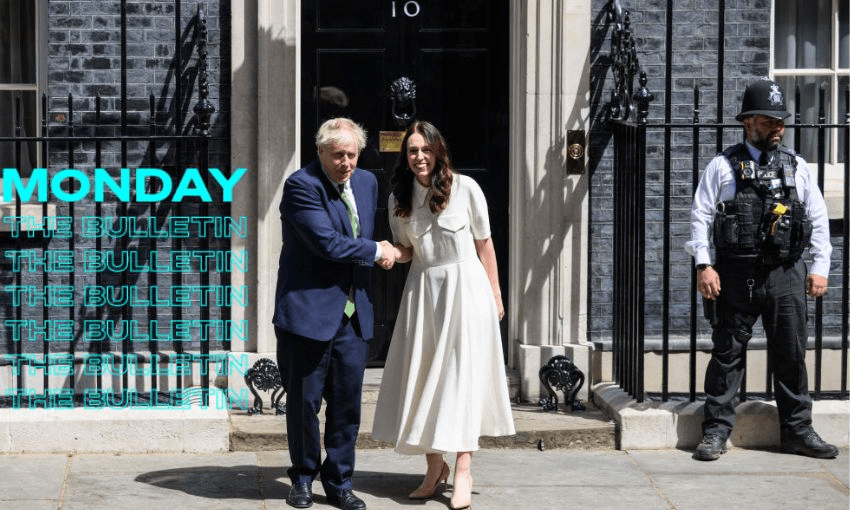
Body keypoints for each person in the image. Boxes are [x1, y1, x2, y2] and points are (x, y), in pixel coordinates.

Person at [686, 78, 838, 461]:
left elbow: (818, 220)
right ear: (749, 122)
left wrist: (820, 268)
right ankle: (716, 433)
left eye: (780, 121)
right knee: (727, 355)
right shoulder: (722, 167)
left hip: (786, 274)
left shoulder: (797, 167)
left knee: (790, 354)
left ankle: (798, 431)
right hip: (736, 275)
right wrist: (704, 265)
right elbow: (700, 217)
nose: (778, 127)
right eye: (770, 120)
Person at [371, 121, 516, 509]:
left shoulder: (466, 188)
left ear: (437, 152)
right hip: (422, 294)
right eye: (412, 150)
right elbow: (408, 251)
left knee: (460, 381)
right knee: (421, 379)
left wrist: (496, 295)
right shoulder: (398, 198)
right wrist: (388, 252)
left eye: (425, 149)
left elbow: (485, 247)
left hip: (466, 292)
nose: (419, 157)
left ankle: (464, 469)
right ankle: (435, 469)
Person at [273, 117, 398, 510]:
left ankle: (340, 481)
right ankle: (303, 477)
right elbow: (328, 243)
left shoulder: (366, 182)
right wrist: (379, 251)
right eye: (338, 155)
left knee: (347, 405)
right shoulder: (301, 186)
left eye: (352, 155)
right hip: (308, 311)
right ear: (321, 151)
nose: (346, 163)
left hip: (353, 312)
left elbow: (359, 232)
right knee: (304, 403)